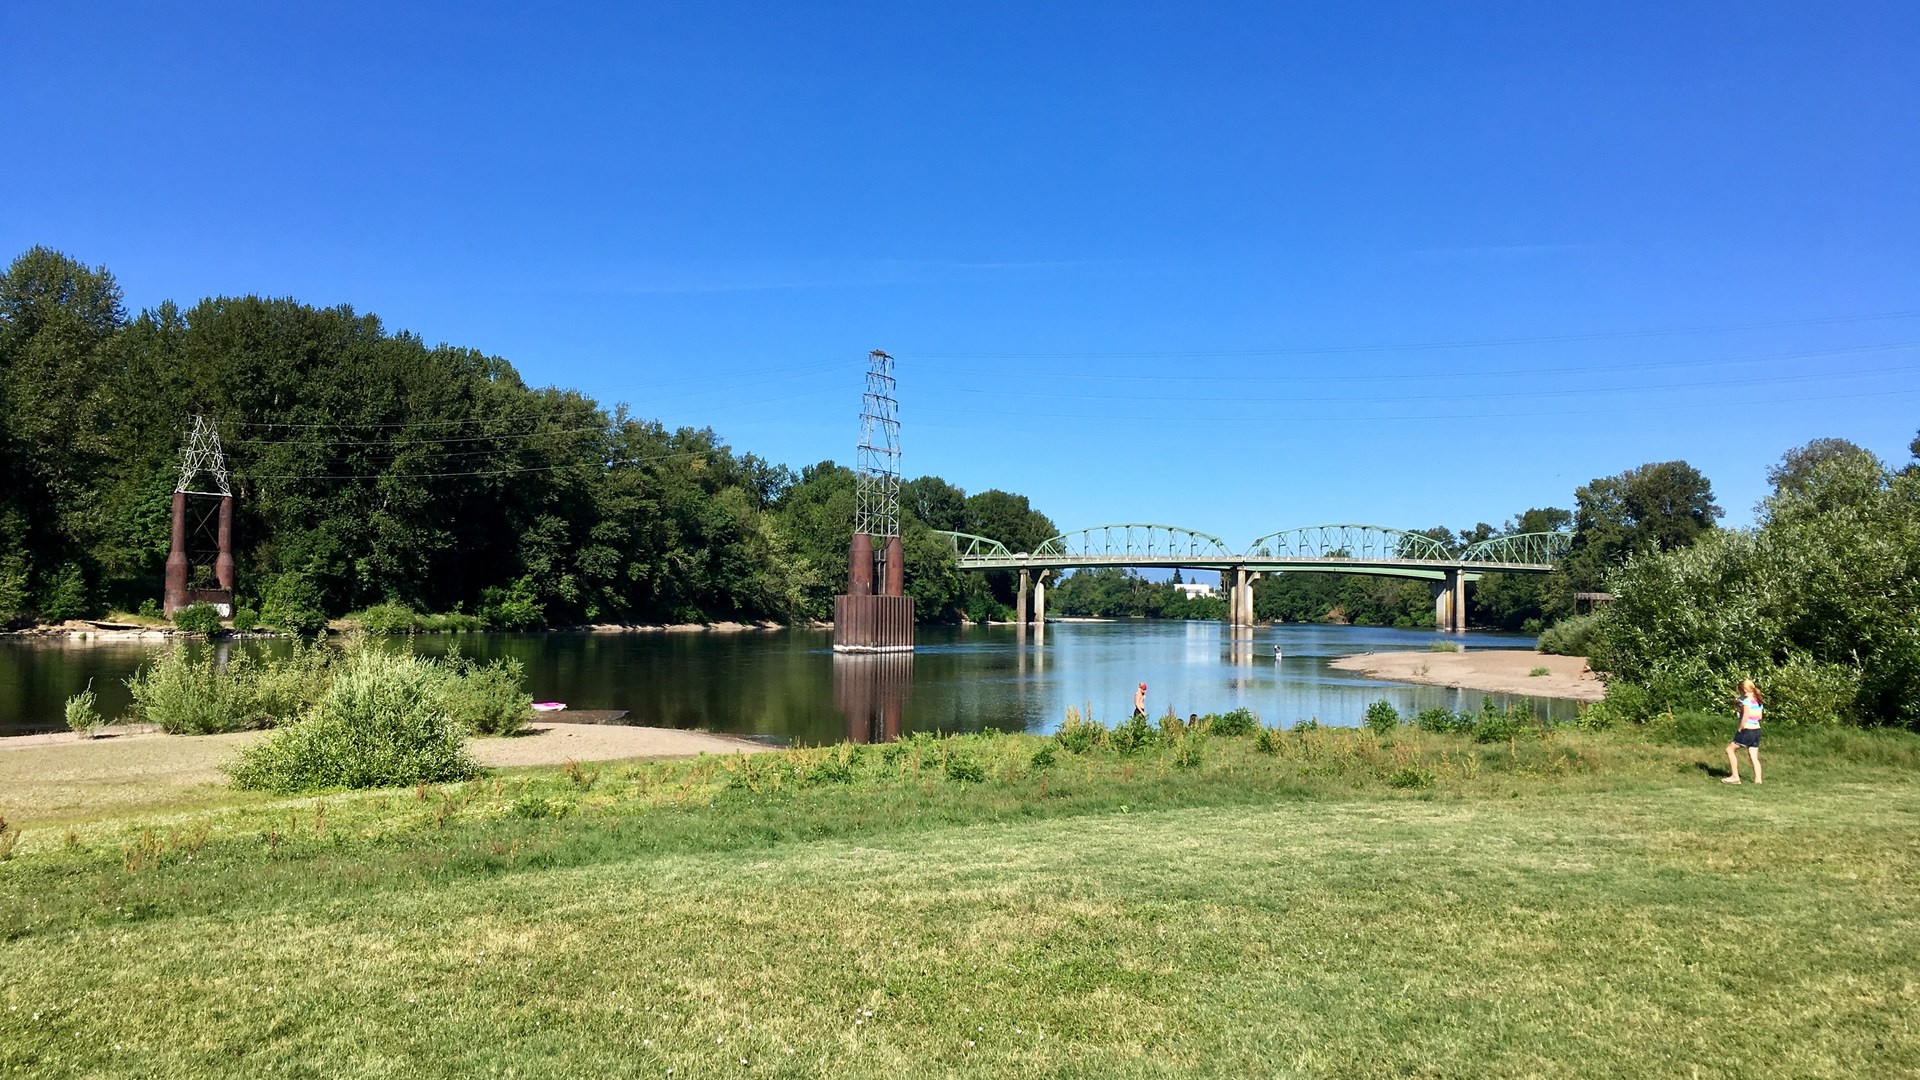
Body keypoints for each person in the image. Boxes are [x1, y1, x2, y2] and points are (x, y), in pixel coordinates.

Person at [1724, 678, 1764, 785]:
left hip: (1747, 730)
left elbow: (1745, 717)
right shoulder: (1758, 700)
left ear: (1744, 691)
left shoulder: (1746, 701)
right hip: (1757, 730)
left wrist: (1740, 729)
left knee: (1729, 750)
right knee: (1753, 757)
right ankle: (1758, 780)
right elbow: (1759, 716)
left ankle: (1735, 776)